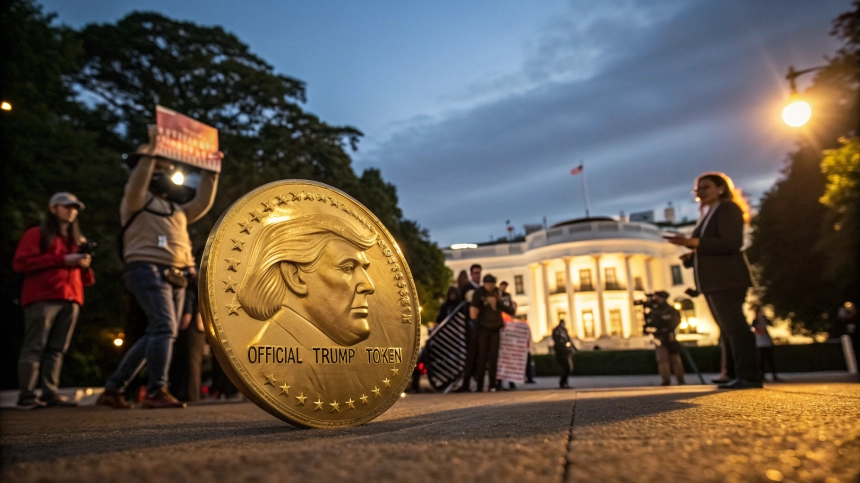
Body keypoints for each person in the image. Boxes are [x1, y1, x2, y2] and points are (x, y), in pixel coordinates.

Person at [97, 127, 220, 409]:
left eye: (164, 165)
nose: (161, 169)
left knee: (161, 332)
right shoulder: (135, 200)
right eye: (157, 165)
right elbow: (139, 179)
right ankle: (156, 390)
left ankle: (114, 388)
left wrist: (212, 171)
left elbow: (201, 202)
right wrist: (151, 151)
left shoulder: (176, 210)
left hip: (177, 275)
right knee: (164, 327)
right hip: (147, 268)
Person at [668, 171, 761, 389]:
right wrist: (691, 255)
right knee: (727, 329)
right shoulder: (710, 213)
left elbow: (730, 243)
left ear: (721, 188)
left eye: (705, 187)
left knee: (736, 328)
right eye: (697, 189)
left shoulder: (728, 208)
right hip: (714, 281)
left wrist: (693, 242)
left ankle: (749, 376)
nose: (700, 192)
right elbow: (711, 245)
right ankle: (731, 373)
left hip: (727, 279)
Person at [13, 193, 94, 409]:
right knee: (35, 345)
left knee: (58, 349)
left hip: (71, 297)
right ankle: (27, 395)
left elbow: (86, 278)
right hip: (43, 296)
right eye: (66, 206)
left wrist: (84, 264)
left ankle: (50, 393)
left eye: (74, 208)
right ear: (53, 209)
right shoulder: (36, 234)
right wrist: (62, 260)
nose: (71, 211)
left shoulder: (76, 240)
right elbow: (21, 264)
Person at [469, 274, 515, 392]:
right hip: (483, 328)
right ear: (484, 284)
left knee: (494, 358)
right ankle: (480, 385)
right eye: (488, 284)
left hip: (495, 328)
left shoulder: (498, 293)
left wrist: (500, 304)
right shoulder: (479, 292)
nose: (490, 286)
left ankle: (492, 384)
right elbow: (474, 308)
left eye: (492, 284)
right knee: (482, 356)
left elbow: (507, 308)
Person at [168, 268, 206, 402]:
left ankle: (188, 394)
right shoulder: (199, 280)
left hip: (191, 327)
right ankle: (191, 394)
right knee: (192, 362)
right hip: (198, 326)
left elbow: (188, 308)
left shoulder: (190, 283)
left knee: (190, 362)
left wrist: (183, 322)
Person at [645, 291, 685, 386]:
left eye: (658, 297)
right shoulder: (653, 311)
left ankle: (680, 380)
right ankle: (666, 380)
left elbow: (675, 321)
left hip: (670, 337)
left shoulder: (670, 310)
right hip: (658, 338)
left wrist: (667, 329)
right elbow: (650, 323)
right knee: (662, 359)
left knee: (675, 359)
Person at [455, 264, 483, 392]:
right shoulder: (467, 287)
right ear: (471, 274)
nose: (478, 275)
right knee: (471, 355)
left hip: (481, 326)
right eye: (476, 273)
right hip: (470, 327)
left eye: (479, 273)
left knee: (480, 356)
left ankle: (478, 384)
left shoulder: (482, 288)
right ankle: (467, 383)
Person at [752, 309, 781, 382]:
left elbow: (772, 324)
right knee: (761, 361)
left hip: (767, 343)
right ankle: (761, 376)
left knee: (770, 360)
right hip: (760, 344)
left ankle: (774, 375)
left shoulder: (765, 320)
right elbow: (756, 330)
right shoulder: (755, 321)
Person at [552, 319, 576, 389]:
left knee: (568, 368)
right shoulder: (556, 330)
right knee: (565, 368)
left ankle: (564, 382)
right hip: (560, 352)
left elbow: (569, 340)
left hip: (566, 351)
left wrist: (573, 348)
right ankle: (563, 383)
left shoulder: (565, 330)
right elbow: (556, 339)